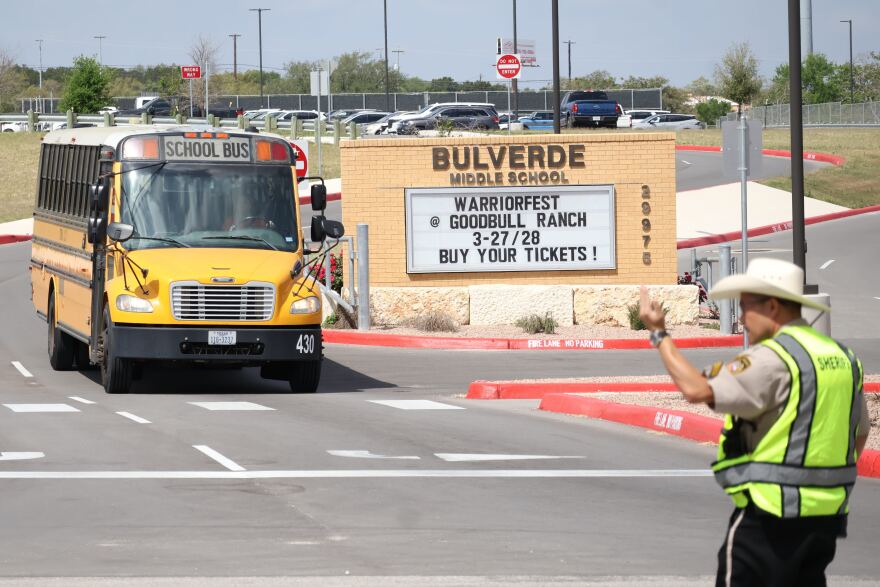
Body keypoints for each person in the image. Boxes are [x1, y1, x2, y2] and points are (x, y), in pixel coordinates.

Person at [639, 257, 869, 586]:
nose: (742, 319)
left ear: (772, 307)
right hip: (826, 520)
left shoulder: (773, 359)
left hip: (769, 519)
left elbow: (695, 388)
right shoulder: (843, 358)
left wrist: (659, 334)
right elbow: (860, 433)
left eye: (746, 307)